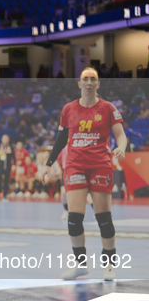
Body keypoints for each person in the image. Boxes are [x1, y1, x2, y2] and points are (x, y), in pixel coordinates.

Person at [41, 67, 127, 281]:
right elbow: (61, 140)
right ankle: (80, 264)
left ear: (98, 84)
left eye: (93, 79)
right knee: (74, 218)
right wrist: (49, 163)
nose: (89, 82)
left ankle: (109, 265)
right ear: (79, 84)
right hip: (75, 166)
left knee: (103, 218)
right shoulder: (69, 109)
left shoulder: (108, 108)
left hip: (100, 165)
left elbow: (121, 135)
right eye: (85, 79)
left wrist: (122, 147)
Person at [0, 134, 14, 202]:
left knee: (6, 181)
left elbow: (14, 157)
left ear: (8, 140)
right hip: (0, 167)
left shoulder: (10, 147)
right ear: (1, 140)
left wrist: (14, 165)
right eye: (4, 139)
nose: (5, 140)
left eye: (6, 139)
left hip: (7, 167)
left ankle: (5, 196)